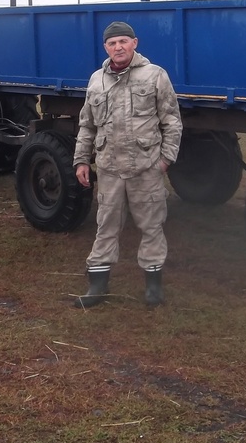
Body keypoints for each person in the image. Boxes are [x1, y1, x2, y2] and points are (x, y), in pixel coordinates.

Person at [72, 21, 182, 309]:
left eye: (123, 41)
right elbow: (87, 125)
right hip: (109, 169)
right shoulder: (97, 79)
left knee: (152, 226)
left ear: (135, 43)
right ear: (105, 47)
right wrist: (82, 160)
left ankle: (153, 287)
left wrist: (165, 160)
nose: (118, 47)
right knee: (105, 226)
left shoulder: (155, 75)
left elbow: (172, 121)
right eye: (112, 43)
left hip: (146, 169)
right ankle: (97, 285)